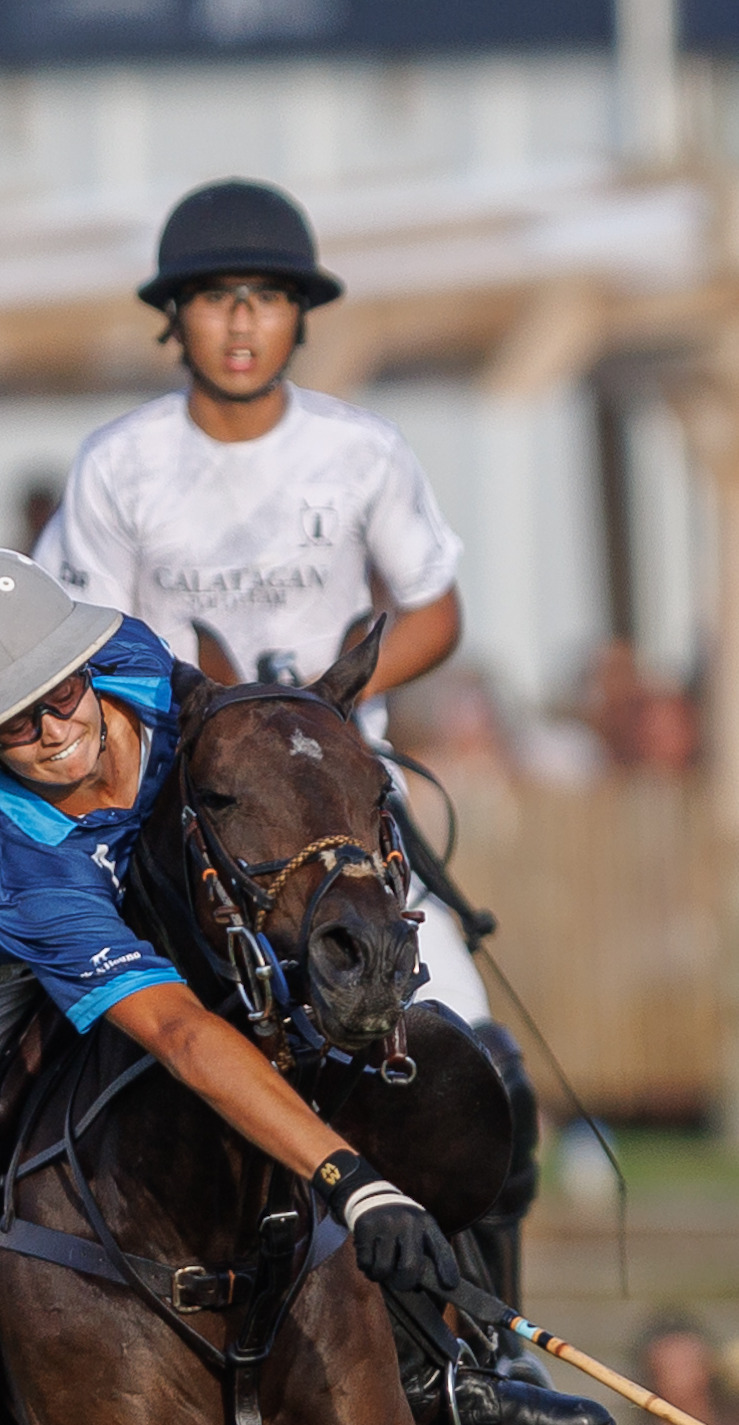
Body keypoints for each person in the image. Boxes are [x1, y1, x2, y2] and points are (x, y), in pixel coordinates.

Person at [0, 549, 608, 1425]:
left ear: (86, 664)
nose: (50, 729)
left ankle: (458, 1374)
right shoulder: (16, 856)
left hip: (117, 904)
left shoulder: (136, 661)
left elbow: (249, 752)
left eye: (59, 694)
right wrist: (351, 1180)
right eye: (9, 722)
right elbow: (180, 1033)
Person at [34, 177, 553, 1335]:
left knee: (484, 1065)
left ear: (297, 317)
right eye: (215, 300)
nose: (238, 323)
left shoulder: (360, 451)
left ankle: (489, 1353)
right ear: (178, 318)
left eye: (264, 299)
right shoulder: (119, 465)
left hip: (333, 805)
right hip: (190, 812)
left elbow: (434, 608)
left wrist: (331, 699)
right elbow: (95, 646)